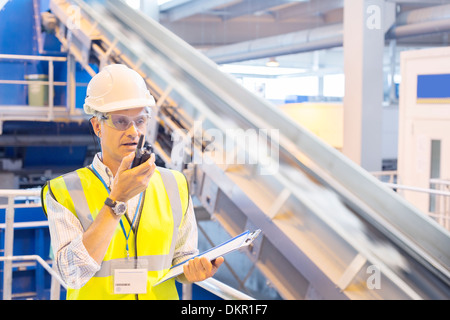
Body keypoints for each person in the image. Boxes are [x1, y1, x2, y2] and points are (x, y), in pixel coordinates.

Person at [41, 64, 223, 300]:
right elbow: (72, 274)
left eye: (140, 121)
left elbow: (182, 256)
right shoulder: (64, 191)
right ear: (97, 126)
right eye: (121, 122)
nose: (134, 132)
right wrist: (117, 200)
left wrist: (193, 271)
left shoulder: (175, 184)